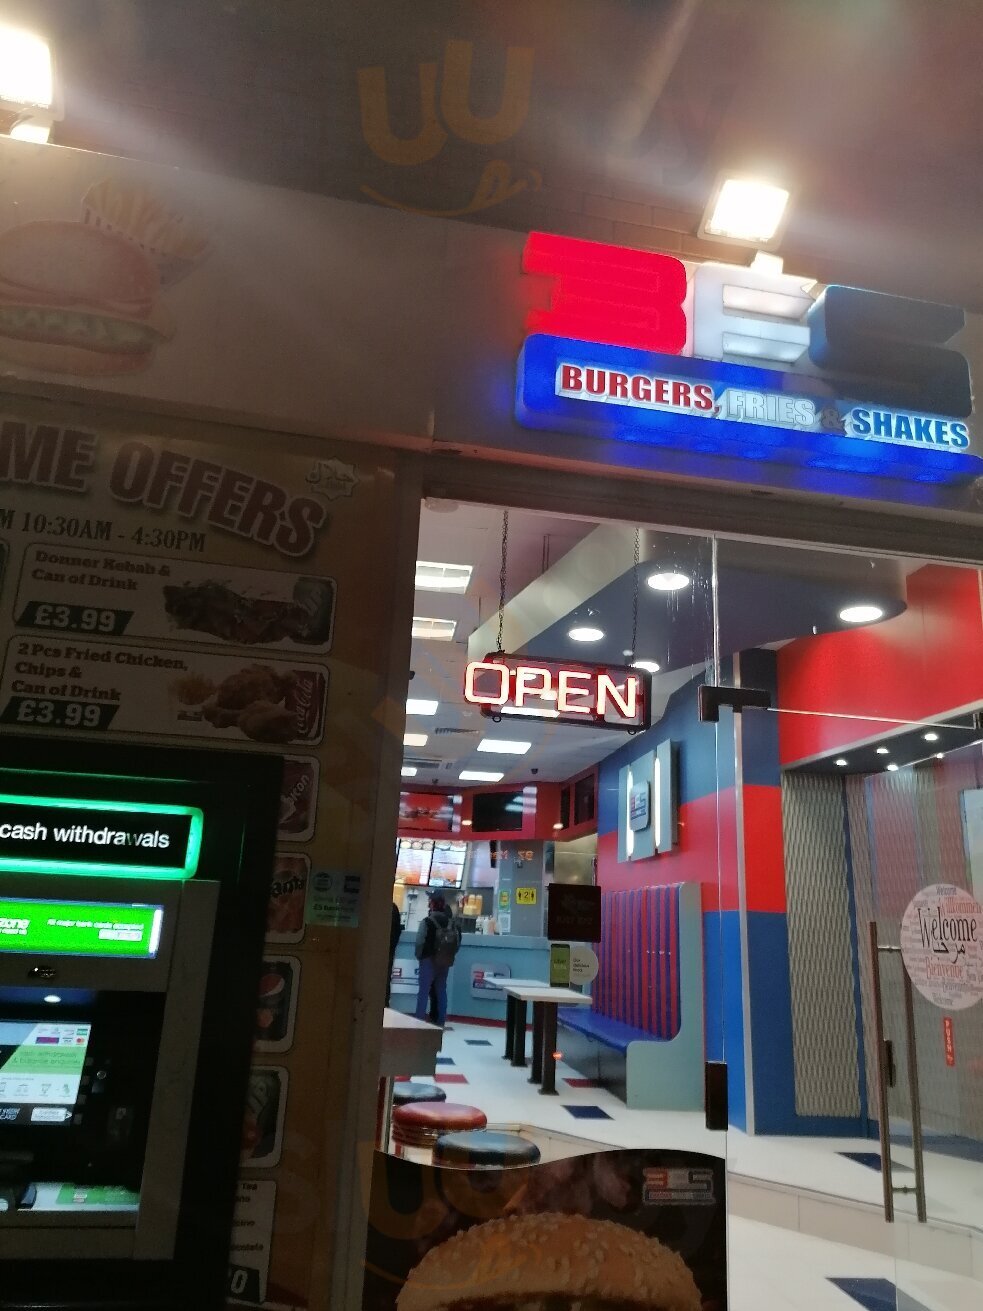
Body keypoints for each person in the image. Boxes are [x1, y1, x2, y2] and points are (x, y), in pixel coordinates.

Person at [414, 894, 460, 1027]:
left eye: (430, 901)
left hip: (428, 961)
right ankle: (441, 1021)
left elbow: (420, 942)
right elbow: (457, 943)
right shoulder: (451, 923)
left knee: (423, 992)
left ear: (433, 904)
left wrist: (420, 956)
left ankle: (418, 1021)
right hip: (444, 961)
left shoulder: (427, 922)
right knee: (441, 990)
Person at [386, 902, 402, 1007]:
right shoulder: (394, 908)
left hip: (380, 950)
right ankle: (384, 1004)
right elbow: (397, 931)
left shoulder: (381, 908)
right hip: (390, 951)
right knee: (386, 979)